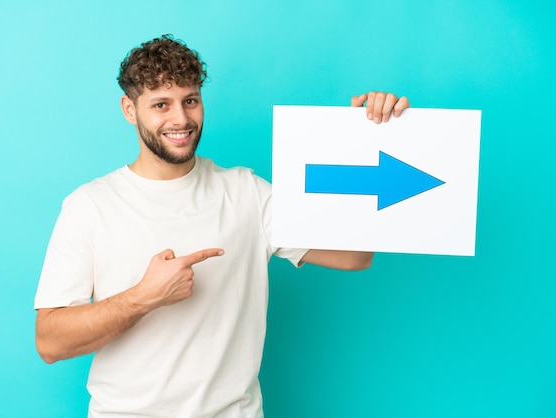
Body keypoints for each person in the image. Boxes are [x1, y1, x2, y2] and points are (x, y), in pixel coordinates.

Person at [34, 34, 410, 417]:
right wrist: (145, 296)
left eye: (190, 101)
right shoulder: (90, 205)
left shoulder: (247, 193)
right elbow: (49, 342)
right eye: (161, 104)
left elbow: (355, 256)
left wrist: (369, 137)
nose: (180, 119)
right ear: (129, 109)